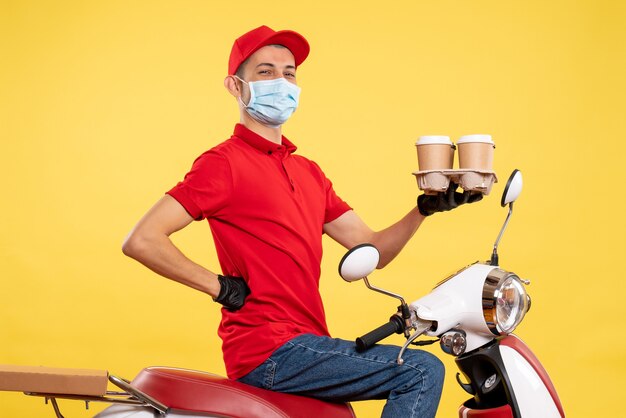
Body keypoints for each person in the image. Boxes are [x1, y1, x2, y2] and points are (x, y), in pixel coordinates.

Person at [122, 25, 481, 418]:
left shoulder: (308, 172)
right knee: (419, 369)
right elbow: (142, 240)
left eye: (289, 73)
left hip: (307, 343)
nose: (281, 81)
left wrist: (424, 210)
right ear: (235, 86)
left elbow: (374, 250)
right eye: (265, 71)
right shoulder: (223, 163)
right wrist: (219, 286)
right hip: (269, 350)